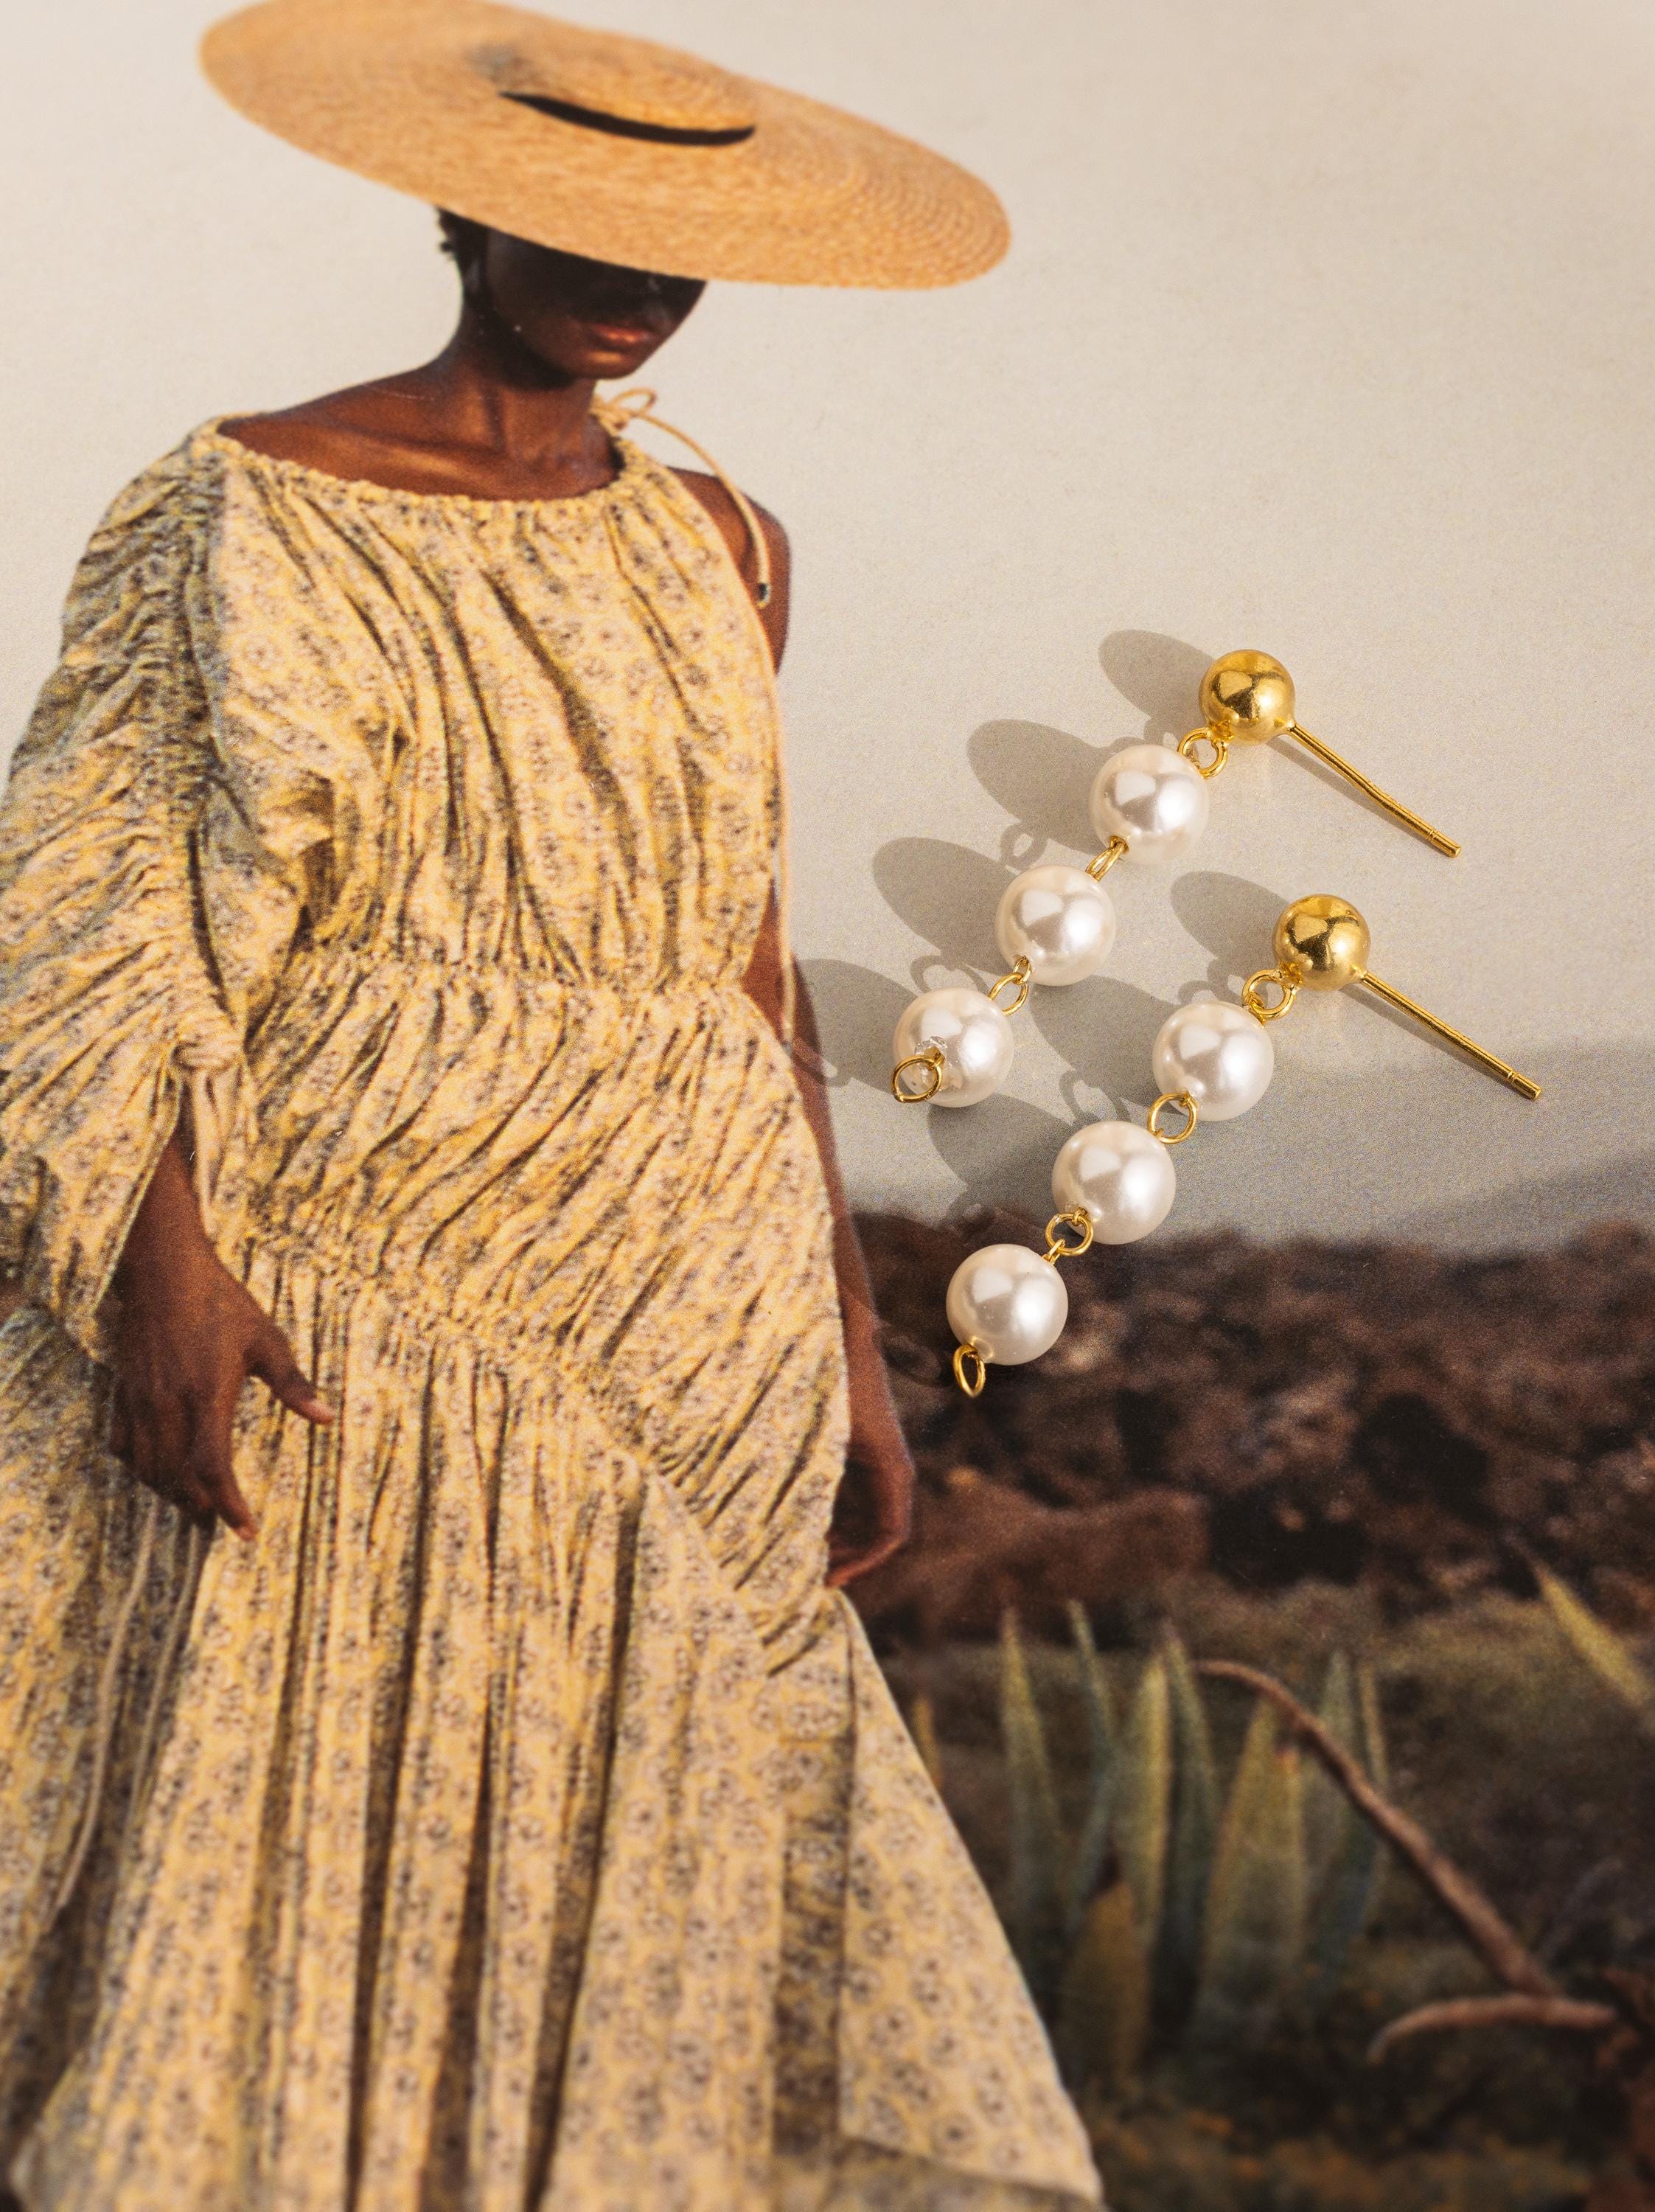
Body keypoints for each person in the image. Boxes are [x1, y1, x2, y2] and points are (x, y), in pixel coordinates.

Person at [0, 4, 1099, 2205]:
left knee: (657, 1840)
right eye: (583, 221)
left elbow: (746, 959)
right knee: (295, 1813)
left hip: (685, 1310)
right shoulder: (234, 503)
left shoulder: (726, 543)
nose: (630, 277)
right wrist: (165, 1267)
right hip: (347, 1273)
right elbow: (88, 915)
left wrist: (849, 1344)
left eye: (682, 242)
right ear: (456, 208)